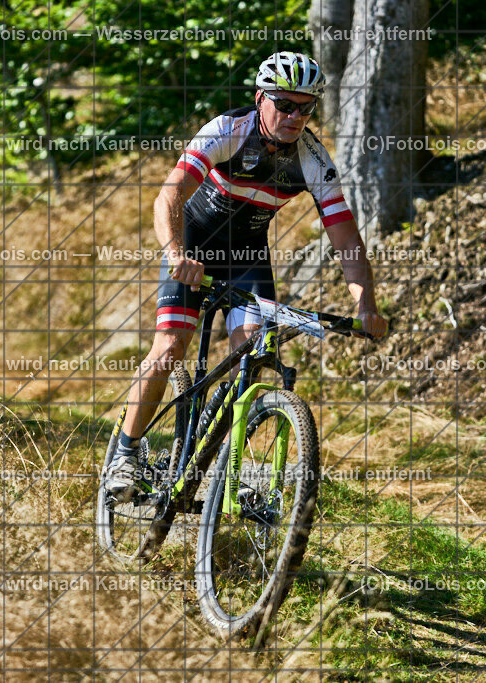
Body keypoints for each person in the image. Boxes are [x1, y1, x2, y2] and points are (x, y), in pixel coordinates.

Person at [104, 51, 388, 497]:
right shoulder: (228, 131)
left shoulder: (314, 160)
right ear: (260, 99)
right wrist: (176, 252)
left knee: (251, 354)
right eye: (285, 103)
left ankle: (216, 463)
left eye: (306, 107)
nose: (295, 115)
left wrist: (365, 303)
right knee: (170, 347)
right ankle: (125, 453)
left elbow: (346, 239)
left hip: (246, 258)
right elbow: (169, 198)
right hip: (193, 245)